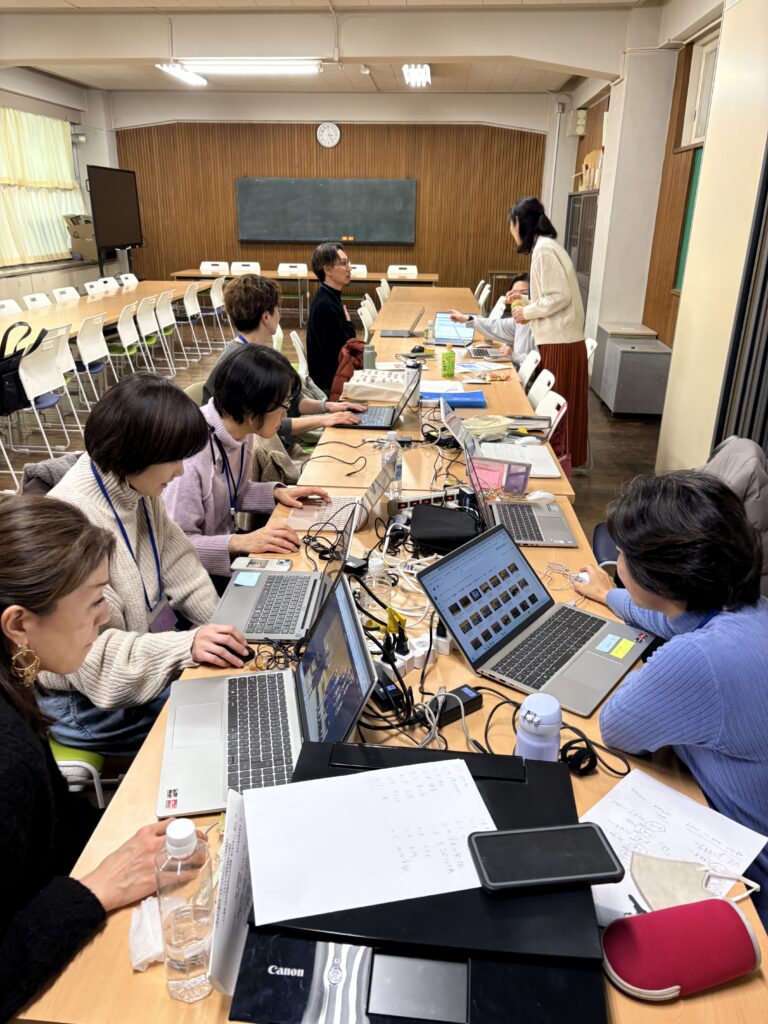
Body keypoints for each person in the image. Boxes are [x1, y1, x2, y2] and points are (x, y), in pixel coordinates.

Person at [0, 495, 182, 1020]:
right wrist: (95, 891)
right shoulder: (6, 762)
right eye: (95, 600)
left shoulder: (15, 682)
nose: (106, 618)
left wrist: (140, 833)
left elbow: (54, 821)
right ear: (18, 624)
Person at [573, 472, 768, 926]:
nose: (615, 561)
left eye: (620, 556)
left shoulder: (699, 660)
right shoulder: (747, 610)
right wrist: (609, 597)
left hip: (746, 883)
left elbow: (618, 729)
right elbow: (674, 620)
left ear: (661, 579)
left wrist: (654, 676)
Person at [39, 374, 251, 756]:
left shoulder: (137, 486)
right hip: (86, 701)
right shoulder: (73, 523)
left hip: (138, 659)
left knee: (236, 682)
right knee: (227, 719)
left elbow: (181, 565)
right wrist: (187, 646)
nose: (181, 473)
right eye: (174, 460)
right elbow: (93, 661)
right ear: (136, 453)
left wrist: (230, 630)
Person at [165, 345, 332, 584]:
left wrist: (278, 493)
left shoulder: (244, 429)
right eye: (283, 405)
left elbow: (236, 491)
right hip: (194, 577)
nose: (285, 414)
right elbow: (176, 547)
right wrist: (241, 542)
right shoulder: (191, 453)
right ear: (252, 408)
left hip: (225, 550)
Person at [205, 273, 364, 435]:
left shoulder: (258, 354)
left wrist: (328, 406)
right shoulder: (239, 366)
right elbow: (270, 425)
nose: (279, 314)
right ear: (266, 317)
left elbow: (294, 400)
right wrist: (324, 419)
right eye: (277, 308)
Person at [507, 197, 587, 465]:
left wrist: (527, 311)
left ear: (519, 223)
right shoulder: (548, 247)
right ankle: (560, 462)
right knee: (559, 414)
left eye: (512, 227)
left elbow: (558, 297)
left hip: (559, 342)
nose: (512, 234)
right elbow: (554, 298)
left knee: (557, 416)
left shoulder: (543, 250)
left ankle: (557, 464)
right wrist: (525, 306)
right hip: (561, 339)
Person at [448, 273, 535, 368]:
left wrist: (514, 356)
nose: (517, 298)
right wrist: (466, 319)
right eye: (513, 294)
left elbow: (537, 362)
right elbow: (495, 326)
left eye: (524, 294)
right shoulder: (518, 322)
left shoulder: (540, 325)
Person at [306, 242, 358, 393]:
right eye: (343, 263)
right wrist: (349, 325)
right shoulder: (325, 304)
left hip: (336, 377)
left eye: (348, 262)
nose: (349, 268)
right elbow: (345, 349)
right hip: (331, 386)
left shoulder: (329, 295)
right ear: (327, 269)